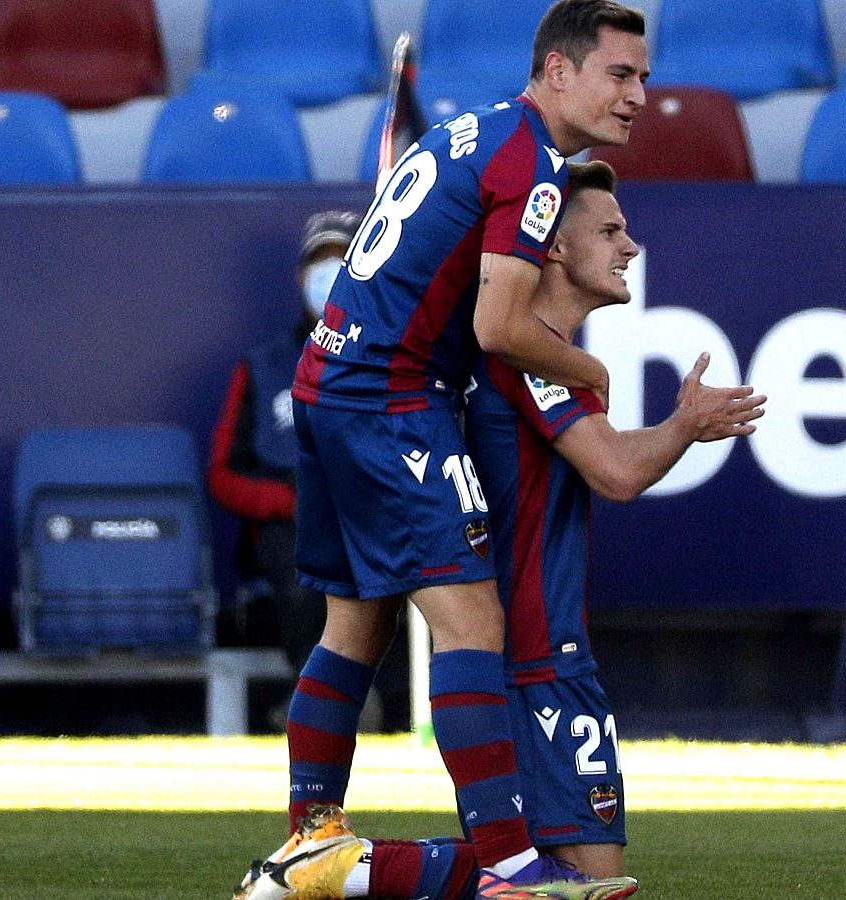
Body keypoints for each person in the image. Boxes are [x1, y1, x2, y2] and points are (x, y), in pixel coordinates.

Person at [233, 162, 764, 900]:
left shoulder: (511, 354)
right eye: (610, 230)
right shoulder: (529, 353)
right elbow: (615, 471)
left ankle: (336, 862)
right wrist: (683, 426)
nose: (630, 247)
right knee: (580, 881)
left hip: (535, 649)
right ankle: (345, 869)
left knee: (562, 878)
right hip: (535, 653)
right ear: (551, 247)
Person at [242, 3, 652, 899]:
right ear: (558, 72)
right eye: (621, 76)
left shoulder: (470, 132)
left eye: (643, 79)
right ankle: (507, 866)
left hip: (326, 383)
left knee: (356, 622)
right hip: (393, 399)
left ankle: (312, 837)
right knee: (473, 624)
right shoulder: (532, 162)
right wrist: (590, 369)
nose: (638, 97)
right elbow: (499, 324)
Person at [208, 211, 360, 674]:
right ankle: (326, 702)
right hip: (285, 524)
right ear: (300, 277)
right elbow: (223, 474)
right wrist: (287, 500)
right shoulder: (260, 368)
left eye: (342, 262)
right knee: (303, 582)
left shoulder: (392, 360)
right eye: (320, 264)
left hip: (366, 517)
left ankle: (369, 701)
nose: (328, 277)